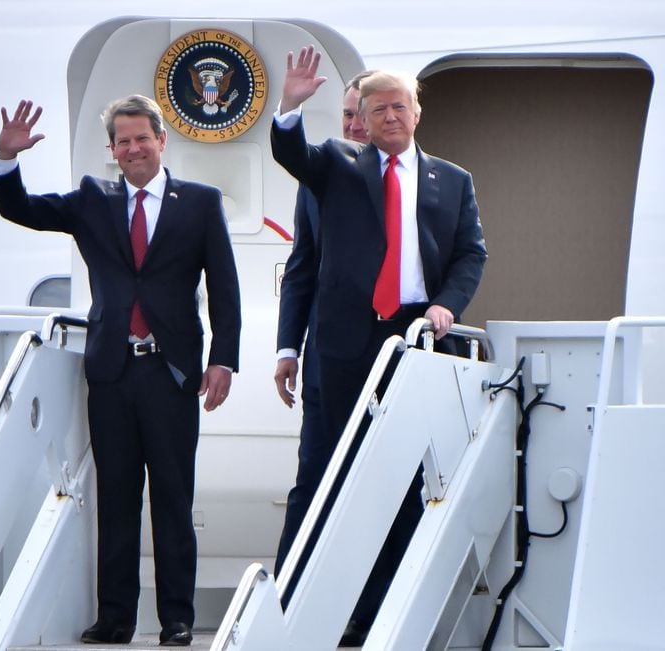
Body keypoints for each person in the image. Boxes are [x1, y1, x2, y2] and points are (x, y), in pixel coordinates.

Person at [0, 96, 241, 646]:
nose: (132, 150)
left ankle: (177, 619)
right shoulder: (91, 199)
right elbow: (22, 209)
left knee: (173, 498)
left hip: (172, 372)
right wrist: (7, 160)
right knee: (117, 499)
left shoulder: (198, 202)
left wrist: (223, 359)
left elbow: (225, 287)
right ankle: (116, 619)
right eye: (122, 142)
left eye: (141, 139)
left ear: (161, 140)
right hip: (112, 370)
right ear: (112, 150)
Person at [271, 46, 487, 646]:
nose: (389, 117)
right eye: (376, 109)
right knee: (321, 474)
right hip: (342, 344)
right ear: (360, 119)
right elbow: (293, 160)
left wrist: (448, 303)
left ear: (417, 111)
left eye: (400, 106)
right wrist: (289, 106)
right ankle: (292, 602)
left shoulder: (454, 180)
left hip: (417, 340)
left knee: (403, 481)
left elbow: (472, 253)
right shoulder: (339, 166)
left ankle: (381, 613)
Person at [273, 71, 372, 577]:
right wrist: (286, 347)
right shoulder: (320, 176)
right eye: (348, 114)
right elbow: (301, 267)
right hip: (324, 359)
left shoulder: (421, 180)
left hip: (387, 355)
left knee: (379, 479)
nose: (355, 125)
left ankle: (369, 606)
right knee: (313, 472)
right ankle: (287, 595)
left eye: (364, 114)